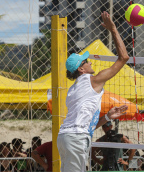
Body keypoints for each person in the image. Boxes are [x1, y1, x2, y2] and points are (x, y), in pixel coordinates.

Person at [57, 11, 129, 172]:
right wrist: (113, 29)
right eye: (86, 61)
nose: (90, 62)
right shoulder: (93, 80)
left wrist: (107, 117)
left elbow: (87, 124)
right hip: (76, 138)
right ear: (81, 69)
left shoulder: (73, 90)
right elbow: (123, 57)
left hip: (66, 137)